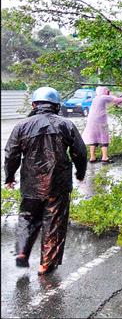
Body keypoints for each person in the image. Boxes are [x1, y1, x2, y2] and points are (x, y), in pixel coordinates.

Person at [4, 86, 87, 275]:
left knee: (27, 217)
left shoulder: (21, 126)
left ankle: (22, 252)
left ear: (34, 104)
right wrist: (80, 173)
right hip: (57, 186)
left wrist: (9, 177)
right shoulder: (66, 125)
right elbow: (80, 153)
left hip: (30, 186)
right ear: (56, 106)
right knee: (54, 223)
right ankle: (46, 264)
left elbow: (11, 154)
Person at [82, 86, 122, 163]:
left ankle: (92, 157)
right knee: (104, 137)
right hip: (101, 121)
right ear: (105, 91)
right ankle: (104, 157)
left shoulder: (96, 98)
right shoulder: (104, 97)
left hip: (91, 121)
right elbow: (120, 100)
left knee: (93, 138)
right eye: (107, 91)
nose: (108, 92)